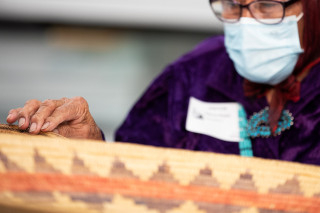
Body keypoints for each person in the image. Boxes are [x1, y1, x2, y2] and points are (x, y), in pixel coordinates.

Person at [6, 0, 320, 165]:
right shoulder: (193, 76)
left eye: (267, 5)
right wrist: (88, 150)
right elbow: (132, 175)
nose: (246, 22)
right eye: (233, 5)